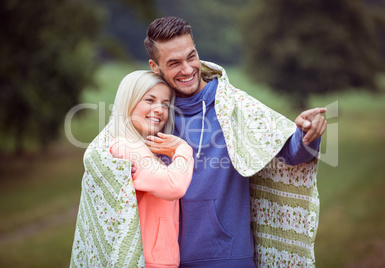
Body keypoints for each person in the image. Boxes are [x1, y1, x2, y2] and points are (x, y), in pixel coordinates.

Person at [143, 17, 327, 268]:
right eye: (174, 63)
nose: (187, 69)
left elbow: (290, 154)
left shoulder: (234, 105)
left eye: (191, 56)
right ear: (155, 67)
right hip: (163, 260)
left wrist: (306, 135)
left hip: (228, 257)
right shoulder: (151, 113)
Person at [70, 71, 194, 268]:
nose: (159, 110)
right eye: (150, 100)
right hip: (147, 261)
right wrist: (183, 149)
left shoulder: (138, 147)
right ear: (129, 102)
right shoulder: (127, 146)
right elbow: (174, 186)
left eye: (165, 104)